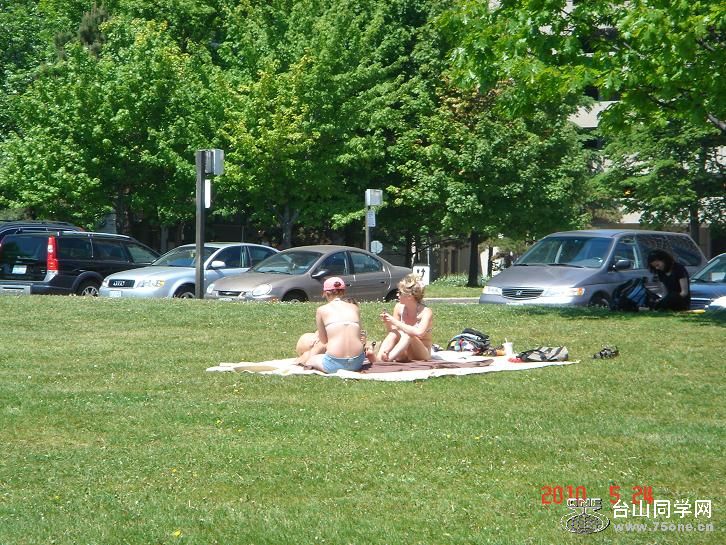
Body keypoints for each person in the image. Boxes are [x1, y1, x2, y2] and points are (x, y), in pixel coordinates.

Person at [302, 277, 366, 373]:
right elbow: (359, 334)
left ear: (326, 293)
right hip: (357, 362)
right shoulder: (354, 308)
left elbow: (324, 340)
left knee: (311, 359)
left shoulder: (321, 310)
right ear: (343, 292)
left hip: (334, 364)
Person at [376, 274, 433, 362]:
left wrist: (394, 321)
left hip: (421, 352)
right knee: (393, 333)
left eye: (400, 293)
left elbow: (419, 333)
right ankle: (378, 359)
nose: (397, 295)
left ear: (409, 296)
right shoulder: (398, 307)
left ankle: (388, 359)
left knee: (409, 334)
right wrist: (388, 322)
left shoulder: (426, 312)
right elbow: (393, 331)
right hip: (404, 349)